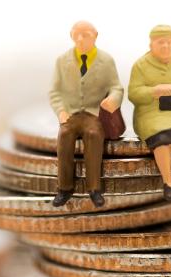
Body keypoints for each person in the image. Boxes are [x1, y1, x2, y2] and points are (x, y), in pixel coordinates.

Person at [49, 21, 124, 207]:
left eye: (86, 35)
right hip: (71, 114)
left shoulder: (106, 61)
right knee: (65, 135)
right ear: (72, 36)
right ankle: (64, 188)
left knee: (94, 134)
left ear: (95, 36)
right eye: (77, 35)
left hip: (93, 113)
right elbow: (55, 91)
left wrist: (113, 99)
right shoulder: (62, 61)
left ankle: (94, 188)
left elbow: (116, 87)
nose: (81, 39)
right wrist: (60, 111)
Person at [128, 24, 171, 201]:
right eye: (161, 42)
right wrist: (154, 91)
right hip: (152, 112)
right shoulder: (140, 65)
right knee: (163, 140)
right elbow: (133, 93)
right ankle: (168, 182)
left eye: (169, 42)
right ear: (151, 44)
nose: (165, 46)